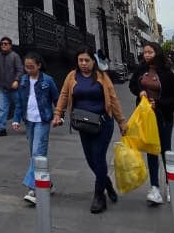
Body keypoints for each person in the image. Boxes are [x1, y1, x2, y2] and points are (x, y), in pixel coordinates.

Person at [53, 46, 127, 214]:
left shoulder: (102, 77)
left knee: (99, 157)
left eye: (87, 60)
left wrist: (121, 122)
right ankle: (106, 182)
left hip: (103, 123)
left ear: (94, 61)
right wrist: (58, 114)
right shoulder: (72, 76)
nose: (84, 63)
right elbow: (64, 95)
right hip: (83, 124)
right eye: (81, 60)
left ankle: (99, 197)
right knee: (91, 160)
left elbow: (113, 100)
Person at [128, 41, 174, 206]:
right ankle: (154, 188)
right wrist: (140, 91)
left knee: (165, 150)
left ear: (157, 53)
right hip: (146, 117)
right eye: (145, 52)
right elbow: (133, 85)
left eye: (150, 52)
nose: (147, 55)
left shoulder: (166, 73)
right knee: (151, 151)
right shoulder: (141, 69)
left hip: (163, 116)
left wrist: (159, 103)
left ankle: (170, 185)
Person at [12, 51, 58, 206]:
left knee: (38, 154)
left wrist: (59, 115)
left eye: (32, 67)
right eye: (26, 67)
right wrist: (16, 119)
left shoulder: (47, 80)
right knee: (35, 154)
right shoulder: (23, 81)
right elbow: (19, 102)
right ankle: (47, 184)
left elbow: (56, 98)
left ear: (39, 65)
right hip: (29, 121)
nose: (29, 70)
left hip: (43, 120)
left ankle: (34, 189)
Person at [0, 37, 23, 137]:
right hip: (2, 87)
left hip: (14, 87)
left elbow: (20, 70)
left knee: (20, 106)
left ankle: (28, 124)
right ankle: (2, 129)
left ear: (10, 45)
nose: (3, 45)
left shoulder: (15, 56)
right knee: (2, 109)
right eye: (1, 44)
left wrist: (16, 80)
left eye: (5, 44)